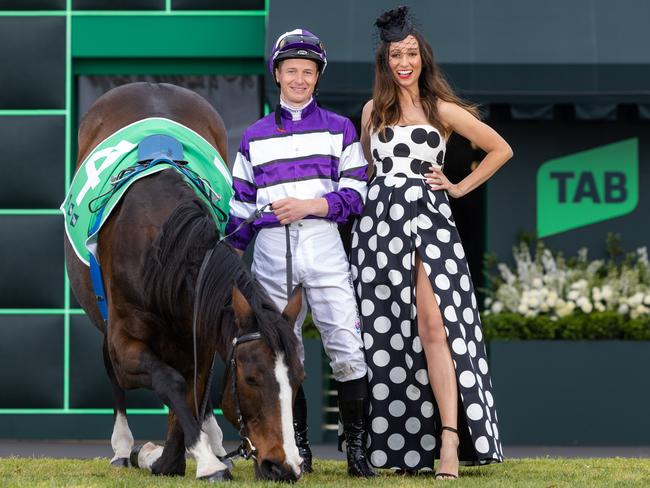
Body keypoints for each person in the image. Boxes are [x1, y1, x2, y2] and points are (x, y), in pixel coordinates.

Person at [351, 6, 512, 479]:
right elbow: (367, 171)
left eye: (412, 53)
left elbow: (500, 148)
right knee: (387, 334)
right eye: (396, 54)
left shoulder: (441, 109)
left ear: (424, 58)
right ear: (385, 61)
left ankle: (448, 440)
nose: (405, 62)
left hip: (427, 222)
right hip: (379, 227)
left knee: (434, 327)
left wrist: (459, 187)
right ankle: (400, 448)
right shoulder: (371, 112)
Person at [225, 29, 375, 477]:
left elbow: (357, 196)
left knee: (346, 345)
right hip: (271, 248)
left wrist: (309, 205)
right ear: (277, 74)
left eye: (308, 72)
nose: (299, 79)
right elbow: (239, 209)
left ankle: (356, 452)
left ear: (317, 77)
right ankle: (302, 448)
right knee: (285, 355)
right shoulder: (253, 137)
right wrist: (226, 256)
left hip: (323, 241)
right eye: (291, 70)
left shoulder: (340, 128)